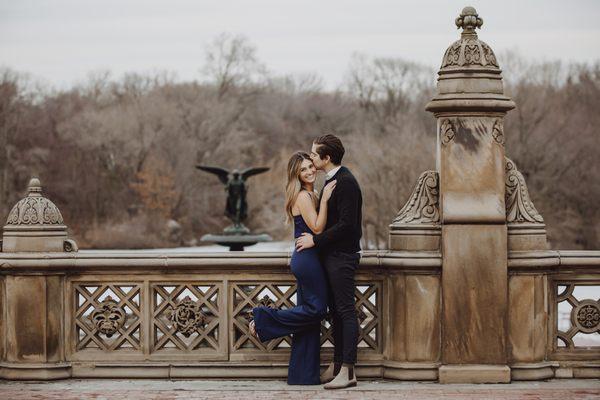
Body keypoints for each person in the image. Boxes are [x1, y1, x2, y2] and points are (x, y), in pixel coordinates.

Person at [249, 151, 336, 385]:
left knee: (308, 317)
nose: (309, 171)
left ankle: (302, 375)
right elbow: (317, 229)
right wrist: (326, 200)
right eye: (303, 170)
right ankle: (262, 319)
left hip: (309, 258)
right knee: (317, 310)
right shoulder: (304, 197)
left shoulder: (311, 193)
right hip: (307, 259)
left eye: (310, 167)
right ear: (296, 175)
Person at [296, 134, 363, 390]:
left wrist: (317, 240)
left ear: (327, 158)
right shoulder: (332, 180)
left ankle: (348, 371)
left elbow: (348, 226)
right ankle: (337, 367)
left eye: (315, 155)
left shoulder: (345, 182)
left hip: (343, 257)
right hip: (332, 257)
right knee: (335, 312)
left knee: (346, 312)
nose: (312, 158)